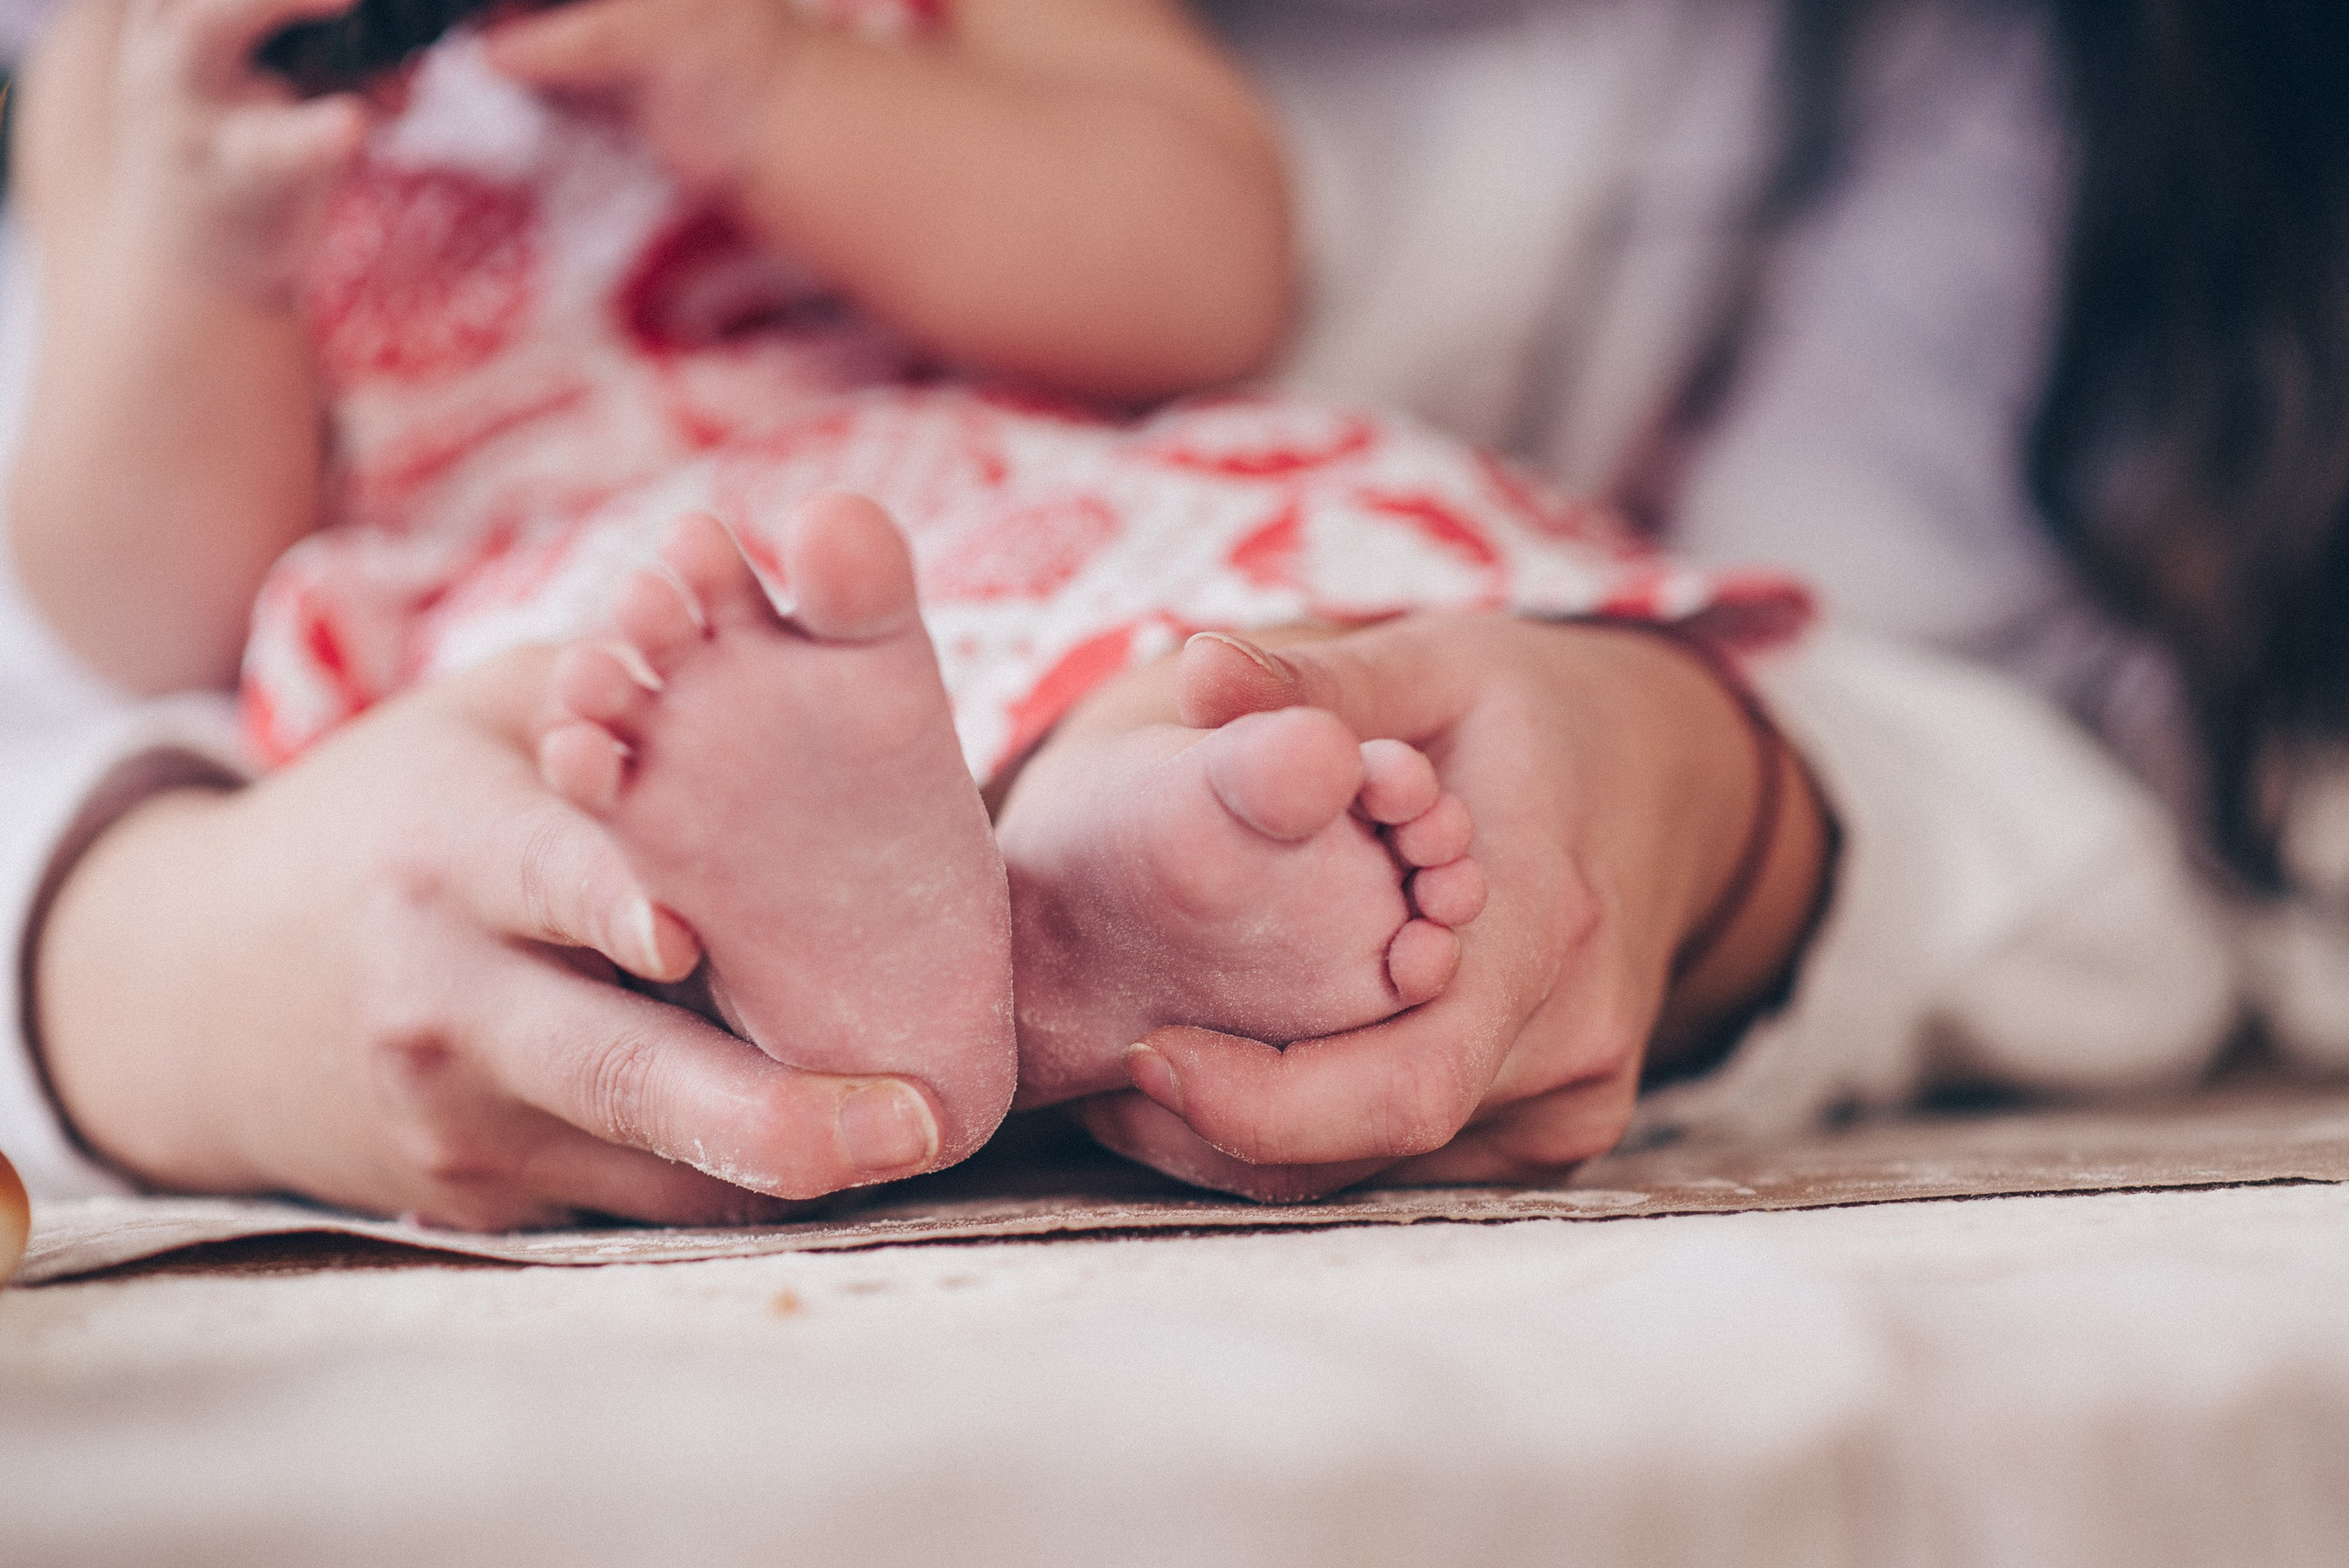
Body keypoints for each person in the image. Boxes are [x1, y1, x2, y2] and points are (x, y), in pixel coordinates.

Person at [0, 0, 2231, 1221]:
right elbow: (135, 597)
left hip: (999, 513)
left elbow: (1201, 262)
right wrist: (195, 256)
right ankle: (844, 902)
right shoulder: (143, 64)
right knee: (682, 712)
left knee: (1222, 660)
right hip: (564, 608)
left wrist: (784, 79)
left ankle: (1156, 888)